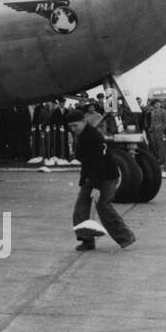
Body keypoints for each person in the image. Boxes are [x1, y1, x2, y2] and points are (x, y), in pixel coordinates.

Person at [68, 103, 135, 250]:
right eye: (71, 127)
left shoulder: (94, 137)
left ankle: (126, 237)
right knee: (81, 207)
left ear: (84, 121)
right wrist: (84, 181)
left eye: (75, 126)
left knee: (103, 205)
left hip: (107, 176)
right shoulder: (82, 136)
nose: (73, 130)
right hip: (93, 176)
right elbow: (85, 160)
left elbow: (99, 163)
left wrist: (96, 187)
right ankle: (87, 240)